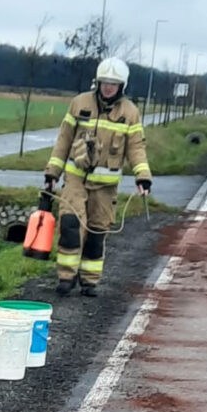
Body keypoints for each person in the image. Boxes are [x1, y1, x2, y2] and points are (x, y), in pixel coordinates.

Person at [43, 56, 152, 297]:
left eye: (113, 83)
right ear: (98, 82)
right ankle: (65, 277)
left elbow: (136, 148)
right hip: (75, 179)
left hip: (105, 187)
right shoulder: (79, 103)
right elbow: (64, 140)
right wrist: (52, 172)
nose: (108, 87)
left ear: (121, 86)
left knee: (96, 232)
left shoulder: (130, 113)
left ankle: (89, 281)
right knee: (71, 225)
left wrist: (143, 177)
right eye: (104, 82)